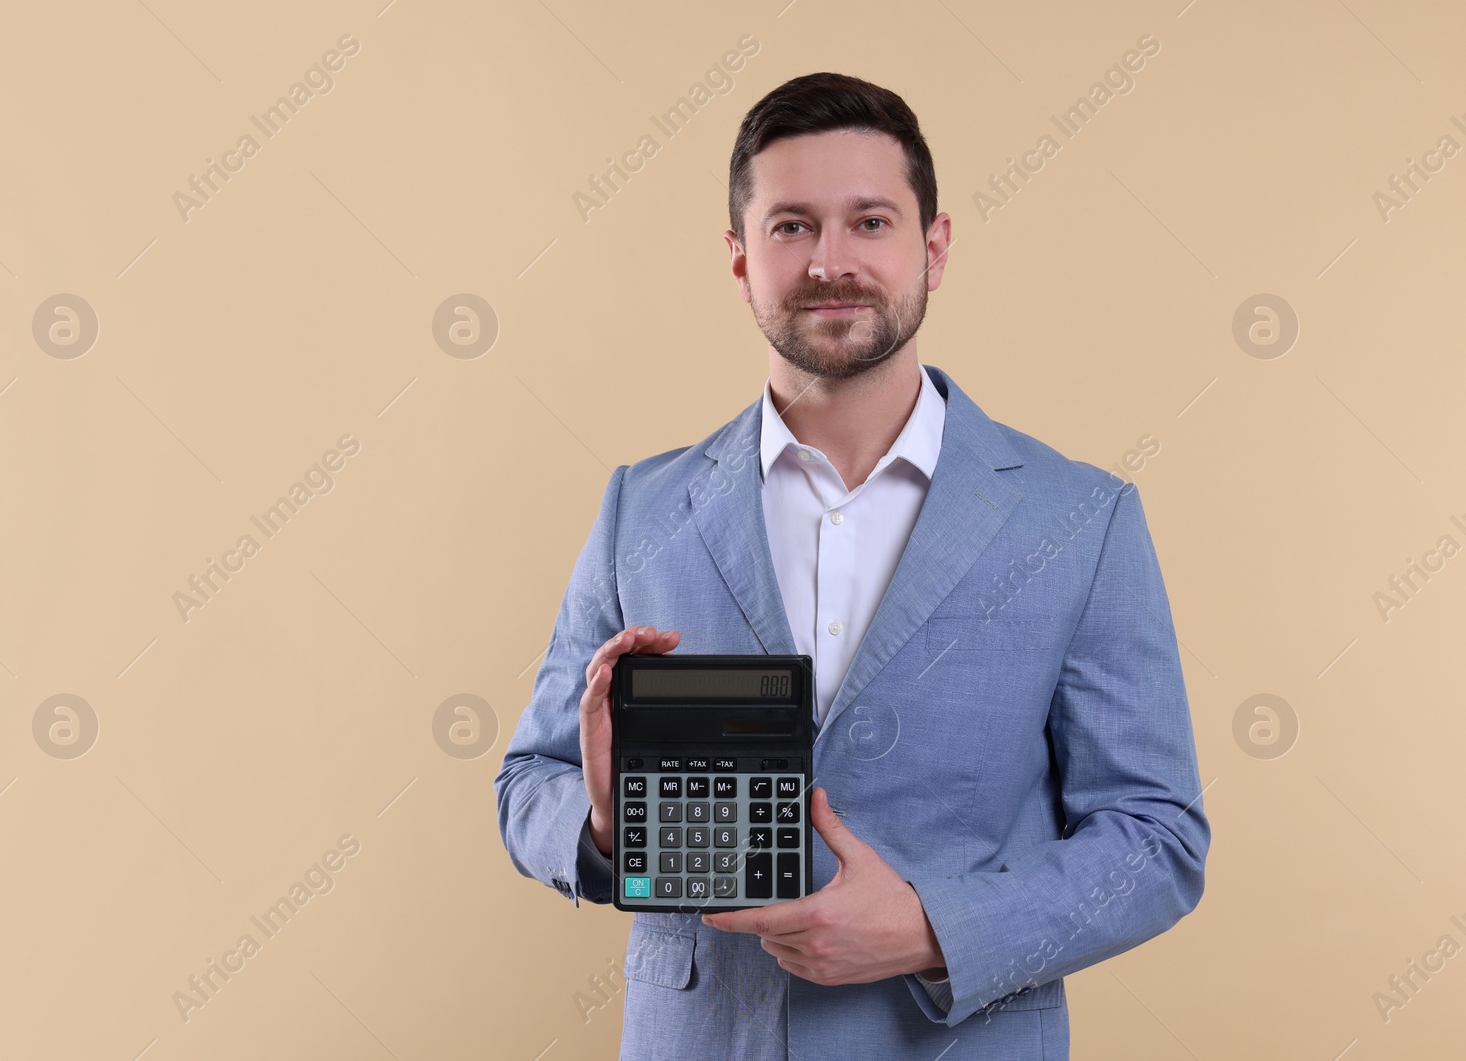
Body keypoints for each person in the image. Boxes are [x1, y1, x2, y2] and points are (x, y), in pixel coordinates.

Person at [494, 71, 1209, 1059]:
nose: (830, 260)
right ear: (739, 261)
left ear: (934, 247)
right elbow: (530, 779)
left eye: (868, 221)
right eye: (790, 226)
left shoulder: (1079, 518)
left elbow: (1154, 836)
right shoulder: (642, 508)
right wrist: (607, 823)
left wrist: (928, 930)